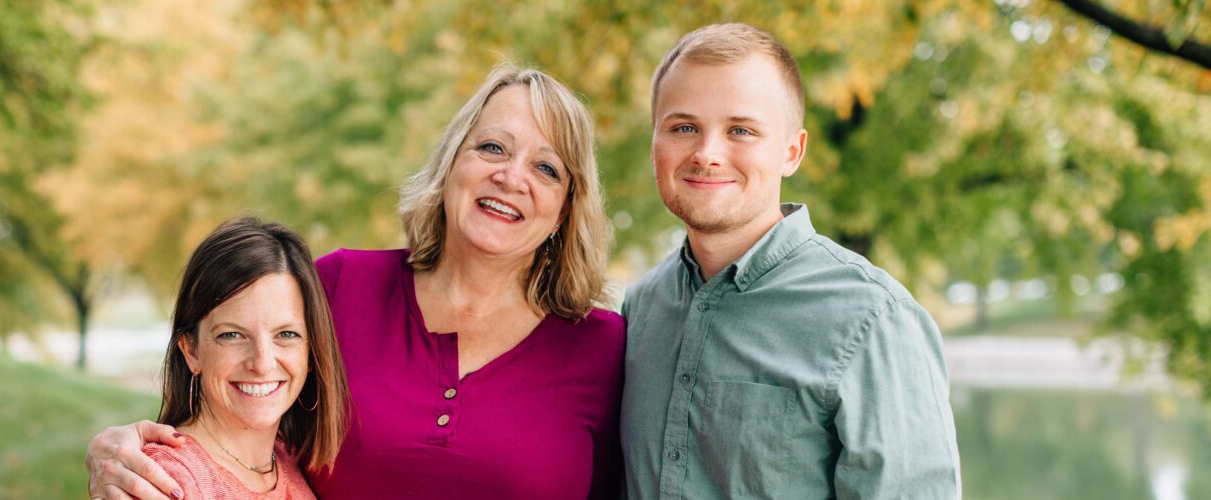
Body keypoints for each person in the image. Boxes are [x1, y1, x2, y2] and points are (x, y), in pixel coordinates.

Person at [86, 64, 625, 500]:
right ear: (451, 163)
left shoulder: (604, 347)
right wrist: (127, 449)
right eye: (492, 148)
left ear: (565, 211)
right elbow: (235, 400)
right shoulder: (340, 285)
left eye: (547, 169)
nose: (511, 177)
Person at [618, 23, 961, 499]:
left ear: (792, 152)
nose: (707, 153)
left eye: (741, 130)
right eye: (684, 127)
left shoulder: (874, 320)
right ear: (654, 142)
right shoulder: (640, 309)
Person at [129, 217, 349, 500]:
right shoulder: (165, 480)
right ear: (191, 351)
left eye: (286, 334)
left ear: (311, 352)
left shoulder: (291, 462)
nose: (261, 363)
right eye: (232, 335)